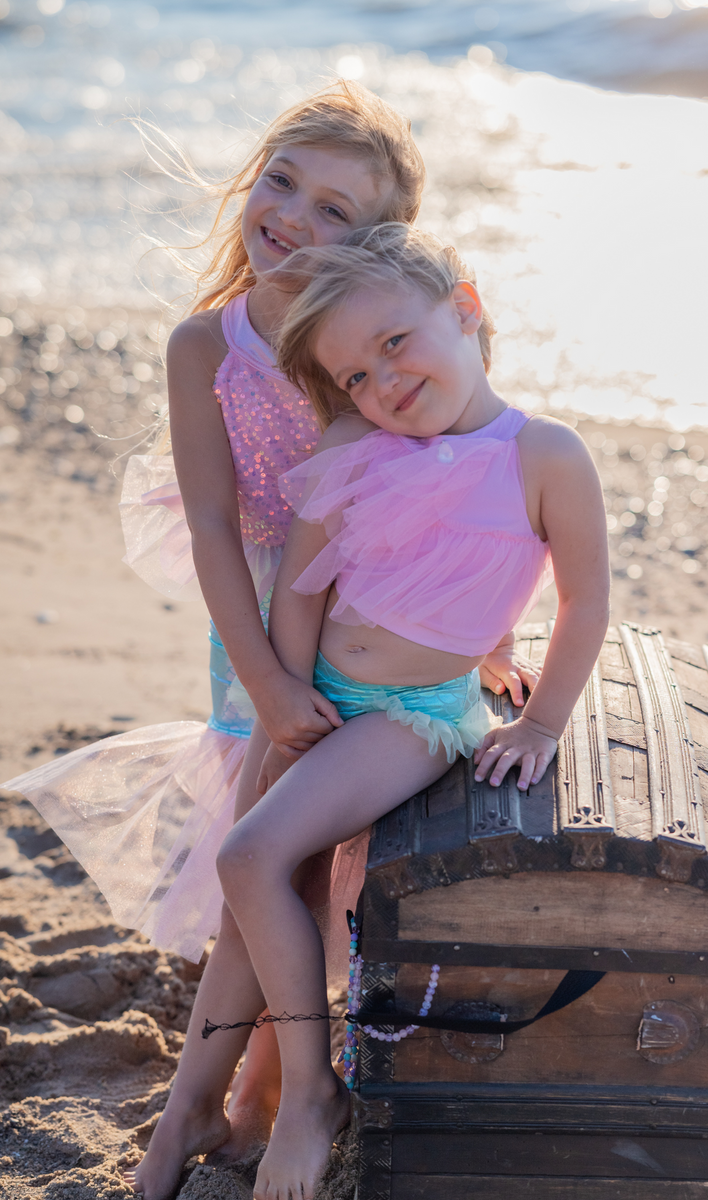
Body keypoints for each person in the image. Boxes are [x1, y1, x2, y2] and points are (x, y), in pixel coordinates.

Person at [1, 86, 535, 1199]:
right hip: (259, 623)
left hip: (379, 641)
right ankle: (219, 1100)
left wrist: (485, 639)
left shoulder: (369, 353)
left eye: (332, 207)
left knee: (307, 862)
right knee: (259, 861)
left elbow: (463, 497)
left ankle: (248, 1098)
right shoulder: (207, 343)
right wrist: (260, 672)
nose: (289, 212)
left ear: (380, 245)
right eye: (280, 179)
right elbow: (205, 523)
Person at [199, 222, 611, 1200]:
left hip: (410, 716)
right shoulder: (361, 442)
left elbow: (586, 600)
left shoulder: (543, 455)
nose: (380, 382)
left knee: (248, 858)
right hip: (321, 701)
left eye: (395, 342)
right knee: (258, 879)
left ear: (465, 309)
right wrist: (282, 708)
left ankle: (309, 1093)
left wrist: (541, 723)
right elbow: (302, 589)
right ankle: (212, 1099)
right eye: (352, 375)